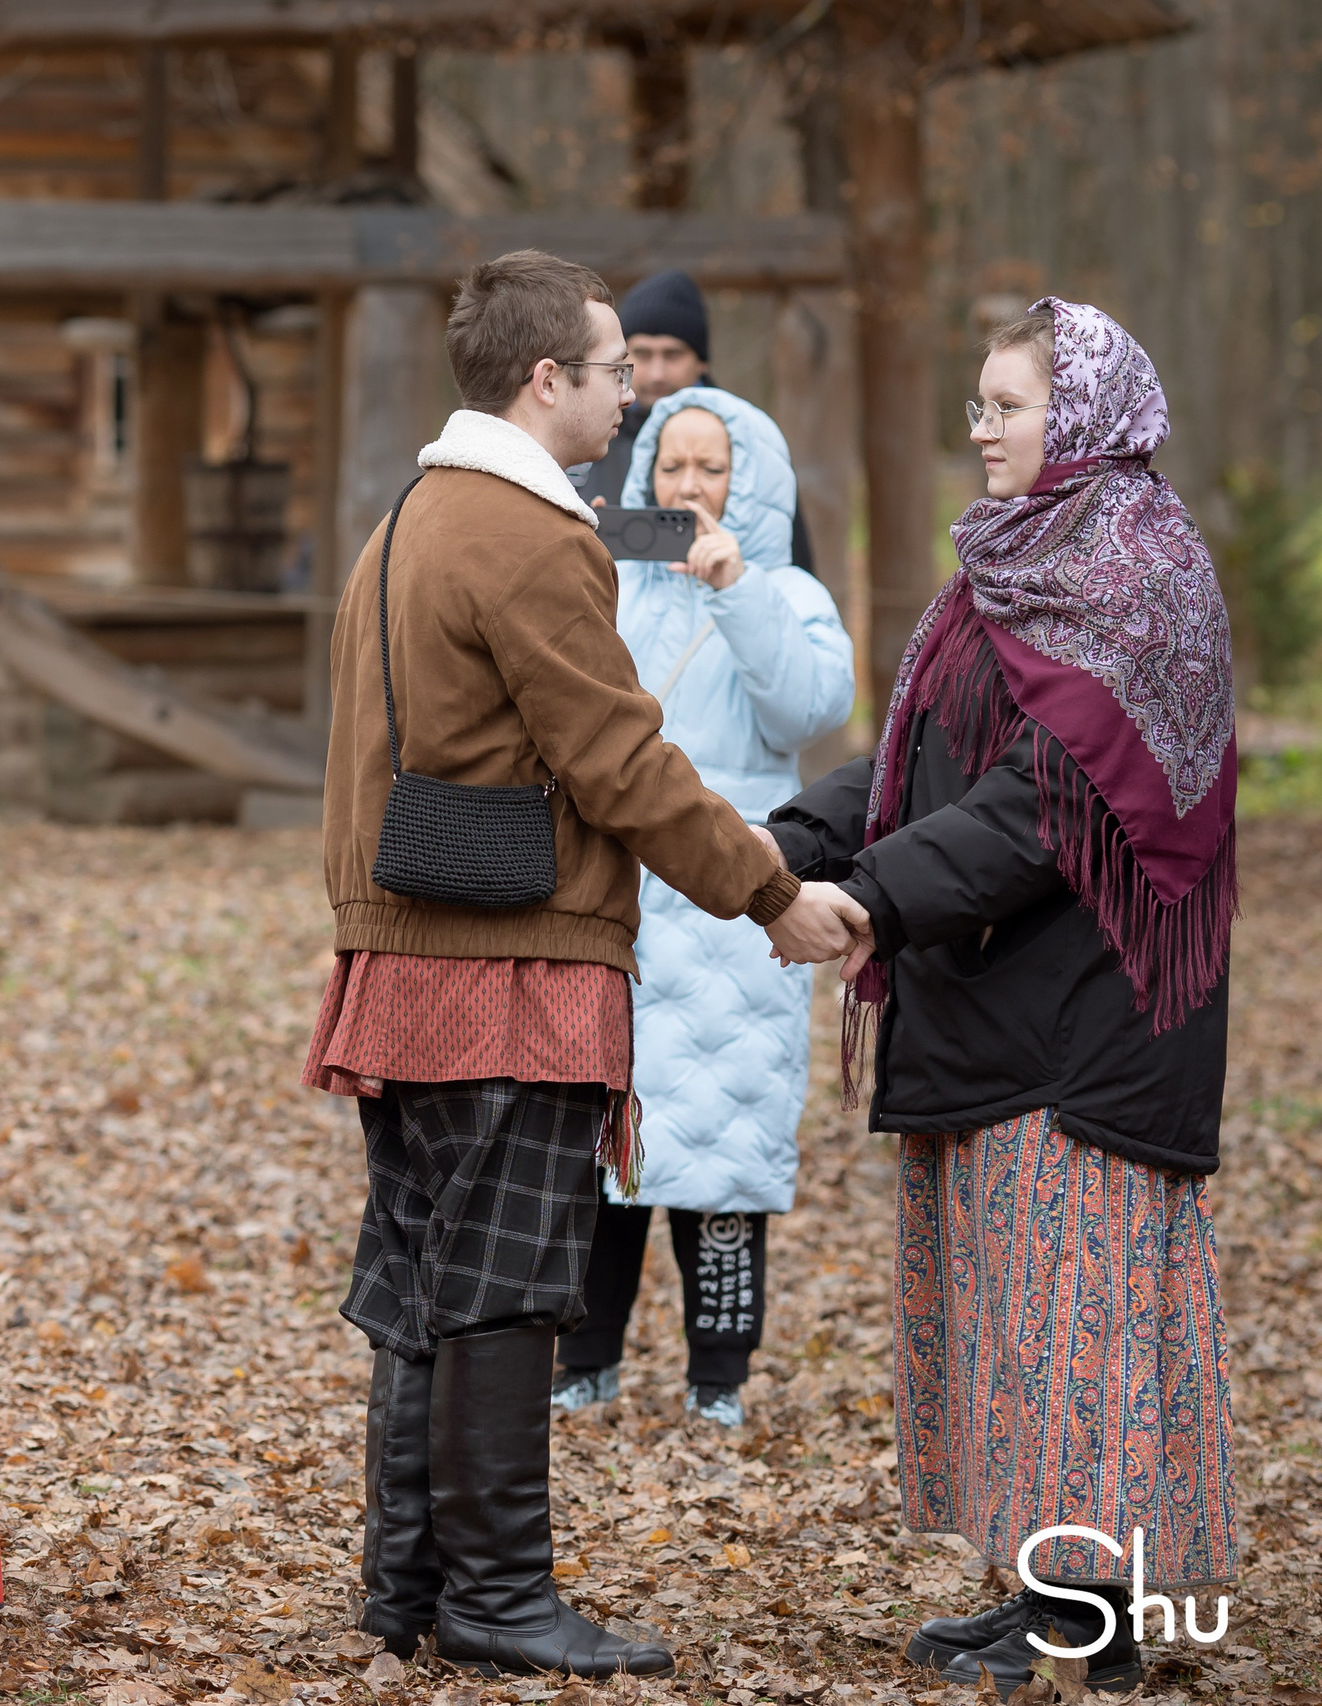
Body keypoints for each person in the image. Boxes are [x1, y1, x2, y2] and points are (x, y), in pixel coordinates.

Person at [301, 249, 868, 1680]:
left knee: (427, 1274)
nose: (635, 395)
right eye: (617, 370)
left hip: (405, 951)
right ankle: (494, 1595)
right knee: (500, 1283)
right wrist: (770, 891)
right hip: (506, 962)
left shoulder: (411, 518)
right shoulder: (526, 533)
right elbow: (618, 759)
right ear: (546, 378)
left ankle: (407, 1584)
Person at [765, 300, 1236, 1697]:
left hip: (1092, 1024)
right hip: (992, 1007)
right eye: (974, 404)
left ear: (1081, 416)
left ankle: (1099, 1611)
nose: (979, 428)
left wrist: (871, 898)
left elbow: (1050, 803)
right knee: (1010, 1320)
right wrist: (792, 840)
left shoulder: (1143, 578)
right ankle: (1044, 1587)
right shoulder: (1007, 568)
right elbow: (931, 760)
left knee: (1075, 1317)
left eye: (1005, 405)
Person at [552, 388, 854, 1429]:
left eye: (709, 468)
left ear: (750, 483)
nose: (687, 486)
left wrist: (737, 591)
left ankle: (716, 1377)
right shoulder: (612, 589)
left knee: (725, 1159)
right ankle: (583, 1359)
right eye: (670, 467)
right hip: (623, 895)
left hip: (737, 897)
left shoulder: (790, 592)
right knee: (606, 1150)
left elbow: (812, 706)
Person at [571, 269, 814, 573]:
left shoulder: (745, 436)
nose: (657, 372)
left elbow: (788, 561)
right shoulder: (591, 434)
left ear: (701, 360)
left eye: (672, 355)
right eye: (643, 355)